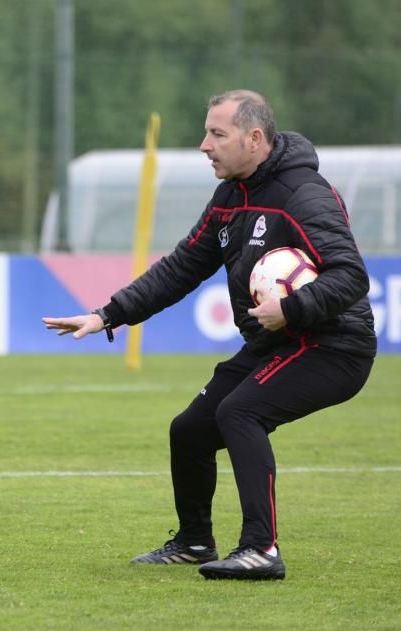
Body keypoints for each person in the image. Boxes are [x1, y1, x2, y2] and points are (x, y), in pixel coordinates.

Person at [42, 90, 376, 581]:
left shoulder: (305, 195)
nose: (204, 145)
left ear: (255, 138)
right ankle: (195, 540)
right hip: (276, 340)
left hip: (334, 344)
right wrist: (107, 315)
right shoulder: (230, 197)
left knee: (240, 412)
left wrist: (290, 306)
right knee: (190, 430)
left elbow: (351, 276)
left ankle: (261, 549)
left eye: (217, 134)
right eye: (207, 133)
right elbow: (181, 269)